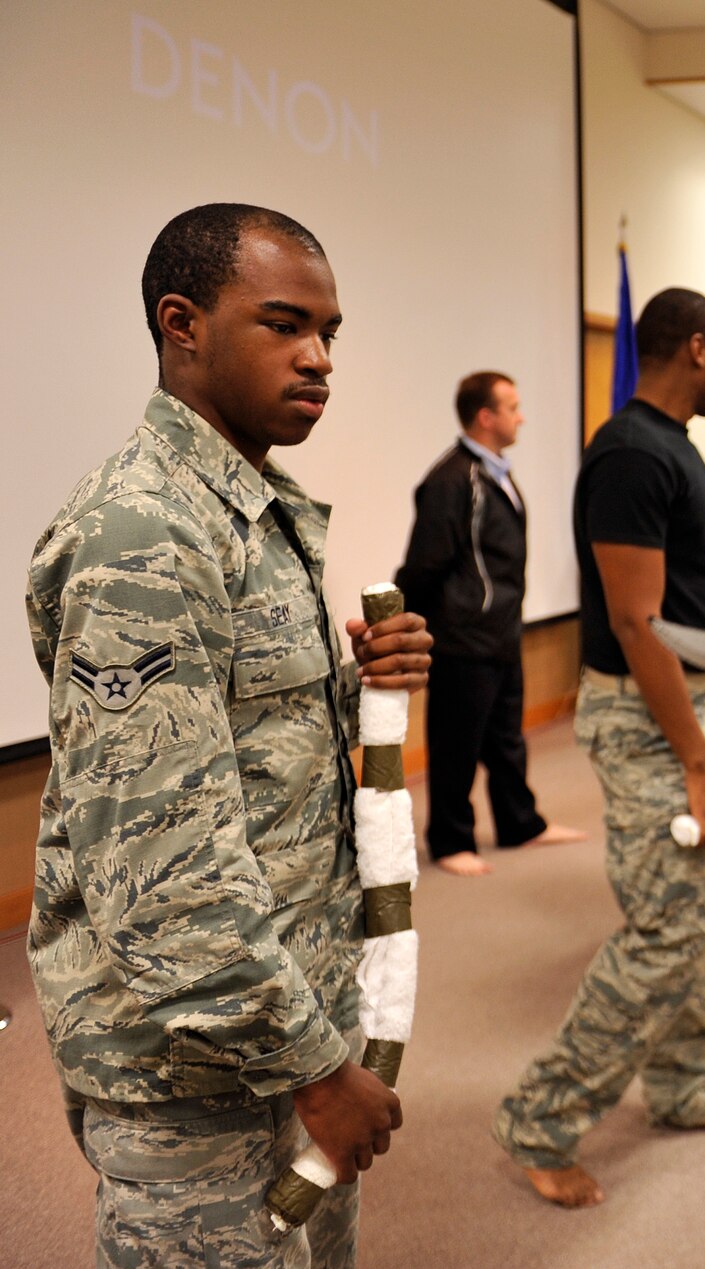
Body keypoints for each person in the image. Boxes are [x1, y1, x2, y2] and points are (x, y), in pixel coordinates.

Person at [27, 203, 430, 1267]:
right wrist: (316, 1066)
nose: (318, 358)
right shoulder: (142, 529)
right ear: (183, 324)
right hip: (196, 1069)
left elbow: (241, 745)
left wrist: (354, 695)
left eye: (330, 334)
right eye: (285, 324)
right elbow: (161, 864)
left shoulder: (251, 508)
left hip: (285, 1009)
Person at [493, 287, 705, 1211]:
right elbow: (634, 618)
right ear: (695, 347)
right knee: (667, 933)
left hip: (697, 708)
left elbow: (692, 614)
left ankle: (687, 1089)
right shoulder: (627, 454)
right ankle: (542, 1117)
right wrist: (696, 758)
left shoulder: (675, 446)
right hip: (650, 726)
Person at [394, 371, 586, 878]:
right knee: (456, 741)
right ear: (486, 416)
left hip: (502, 630)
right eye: (513, 407)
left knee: (506, 738)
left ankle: (520, 823)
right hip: (464, 636)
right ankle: (451, 838)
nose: (521, 416)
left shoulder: (497, 473)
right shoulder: (452, 479)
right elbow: (424, 563)